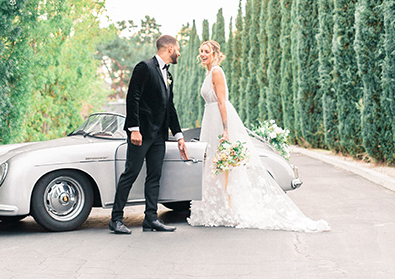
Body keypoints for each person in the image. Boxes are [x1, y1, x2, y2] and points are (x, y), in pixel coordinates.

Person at [188, 40, 330, 232]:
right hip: (209, 119)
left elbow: (222, 102)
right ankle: (217, 208)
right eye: (201, 51)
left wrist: (226, 129)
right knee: (215, 164)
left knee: (224, 164)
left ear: (214, 53)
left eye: (206, 51)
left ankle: (229, 209)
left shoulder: (216, 72)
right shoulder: (208, 72)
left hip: (219, 121)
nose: (202, 54)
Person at [109, 35, 189, 234]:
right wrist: (134, 129)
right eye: (177, 49)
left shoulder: (169, 75)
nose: (179, 53)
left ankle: (151, 219)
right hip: (141, 134)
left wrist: (178, 136)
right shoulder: (143, 67)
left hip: (159, 136)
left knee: (154, 176)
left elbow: (169, 106)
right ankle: (115, 219)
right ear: (169, 48)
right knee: (130, 173)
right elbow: (133, 98)